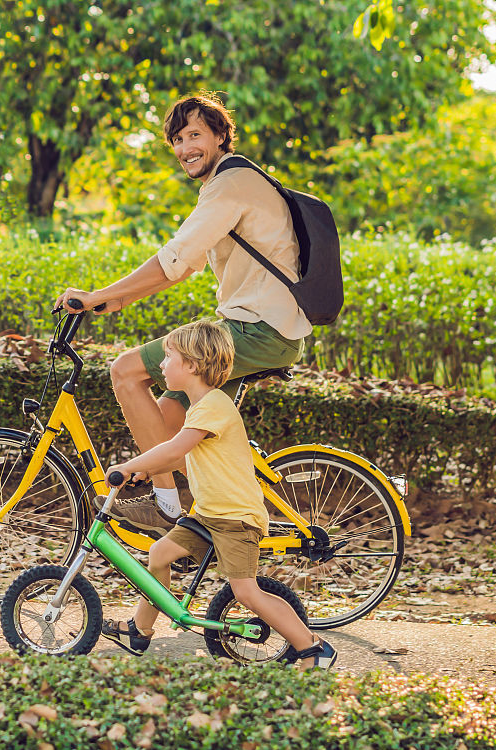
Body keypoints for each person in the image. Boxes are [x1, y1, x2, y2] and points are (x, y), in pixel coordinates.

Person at [55, 91, 309, 535]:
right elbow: (184, 266)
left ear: (221, 136)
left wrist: (98, 295)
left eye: (196, 134)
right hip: (260, 326)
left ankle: (170, 506)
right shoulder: (226, 184)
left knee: (126, 371)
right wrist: (116, 299)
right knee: (170, 420)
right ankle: (204, 517)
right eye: (177, 139)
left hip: (258, 329)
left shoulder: (231, 183)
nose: (185, 147)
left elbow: (175, 257)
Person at [103, 320, 336, 669]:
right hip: (210, 514)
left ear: (192, 366)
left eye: (169, 357)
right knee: (160, 553)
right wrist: (144, 470)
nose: (162, 365)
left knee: (246, 592)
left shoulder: (213, 406)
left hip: (235, 519)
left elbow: (173, 449)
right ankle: (140, 629)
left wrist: (130, 464)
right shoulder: (200, 406)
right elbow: (181, 456)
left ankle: (312, 647)